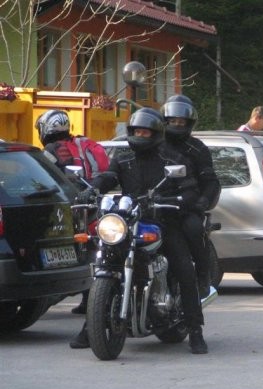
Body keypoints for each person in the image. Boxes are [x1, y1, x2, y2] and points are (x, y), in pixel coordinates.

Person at [79, 108, 210, 354]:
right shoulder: (124, 158)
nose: (140, 135)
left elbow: (191, 188)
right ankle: (91, 327)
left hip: (164, 222)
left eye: (145, 131)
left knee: (183, 267)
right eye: (137, 131)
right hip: (129, 221)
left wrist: (177, 199)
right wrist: (92, 189)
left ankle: (195, 330)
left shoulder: (172, 160)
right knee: (102, 259)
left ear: (157, 134)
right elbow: (108, 176)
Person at [34, 109, 110, 337]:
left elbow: (46, 179)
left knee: (74, 250)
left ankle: (80, 296)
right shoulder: (84, 143)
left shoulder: (53, 150)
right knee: (93, 249)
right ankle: (89, 298)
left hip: (72, 206)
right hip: (96, 203)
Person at [161, 94, 221, 297]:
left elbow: (210, 180)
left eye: (181, 121)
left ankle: (203, 276)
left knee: (194, 229)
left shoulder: (197, 148)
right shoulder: (155, 145)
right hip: (156, 204)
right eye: (173, 121)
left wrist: (202, 201)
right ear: (164, 121)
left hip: (185, 204)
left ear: (189, 123)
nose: (177, 125)